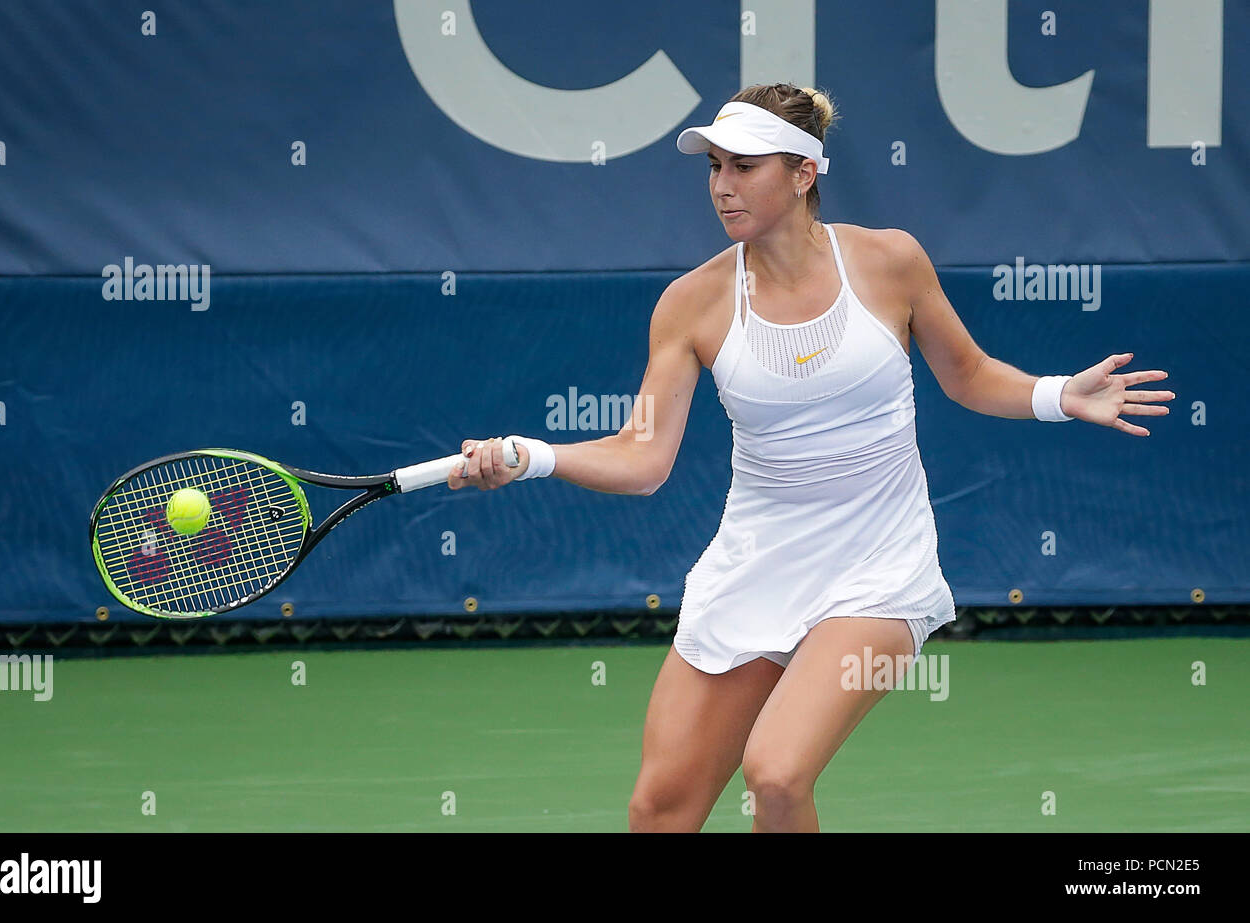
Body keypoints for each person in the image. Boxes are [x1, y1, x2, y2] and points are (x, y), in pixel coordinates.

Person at [447, 83, 1174, 832]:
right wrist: (532, 455)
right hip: (754, 569)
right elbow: (643, 454)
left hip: (881, 572)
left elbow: (969, 374)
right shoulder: (691, 303)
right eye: (715, 168)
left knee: (777, 772)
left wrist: (1060, 395)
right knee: (659, 809)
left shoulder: (891, 262)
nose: (723, 187)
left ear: (804, 173)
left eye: (744, 166)